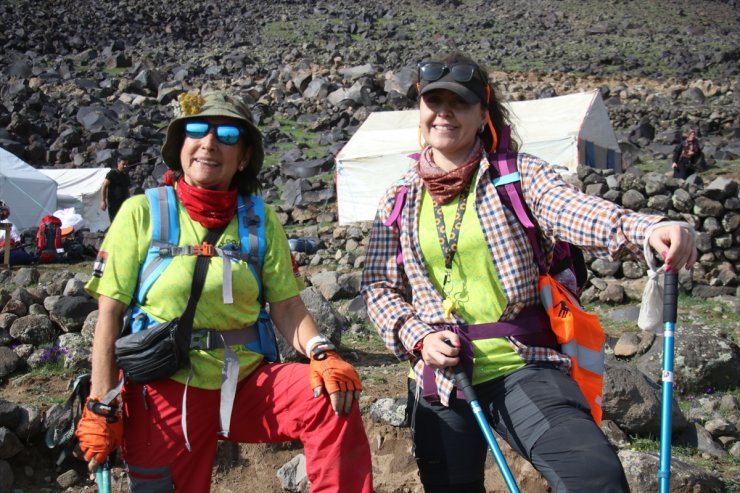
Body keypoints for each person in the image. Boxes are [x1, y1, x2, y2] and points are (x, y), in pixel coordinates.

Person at [361, 52, 697, 493]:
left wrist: (646, 228)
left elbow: (574, 211)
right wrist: (417, 337)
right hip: (438, 379)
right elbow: (379, 286)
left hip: (522, 365)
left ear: (483, 114)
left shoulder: (519, 176)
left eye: (459, 103)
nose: (444, 113)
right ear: (421, 112)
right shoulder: (399, 197)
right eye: (433, 101)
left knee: (593, 478)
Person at [76, 91, 373, 492]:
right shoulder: (141, 213)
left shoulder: (260, 220)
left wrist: (323, 351)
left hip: (246, 382)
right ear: (180, 145)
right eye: (196, 131)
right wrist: (100, 402)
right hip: (163, 390)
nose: (209, 142)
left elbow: (285, 305)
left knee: (331, 398)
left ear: (245, 156)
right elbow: (109, 314)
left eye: (228, 135)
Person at [100, 157, 130, 221]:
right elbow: (104, 186)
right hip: (114, 204)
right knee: (115, 221)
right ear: (118, 163)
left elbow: (127, 188)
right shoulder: (112, 173)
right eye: (123, 164)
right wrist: (103, 201)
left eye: (127, 164)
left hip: (124, 203)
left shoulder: (126, 175)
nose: (125, 166)